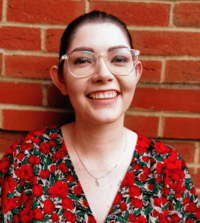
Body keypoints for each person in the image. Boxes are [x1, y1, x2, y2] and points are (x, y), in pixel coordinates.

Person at [0, 11, 200, 223]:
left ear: (136, 73)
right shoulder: (26, 161)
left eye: (119, 59)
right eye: (84, 60)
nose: (104, 74)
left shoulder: (165, 169)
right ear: (60, 79)